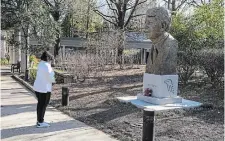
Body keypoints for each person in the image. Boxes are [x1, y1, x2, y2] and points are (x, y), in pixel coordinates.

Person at [145, 7, 178, 75]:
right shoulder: (154, 46)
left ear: (163, 26)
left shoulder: (171, 44)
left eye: (150, 23)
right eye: (145, 22)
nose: (145, 26)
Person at [33, 51, 55, 128]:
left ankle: (39, 120)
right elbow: (51, 77)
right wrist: (53, 80)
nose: (51, 61)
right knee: (43, 105)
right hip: (44, 89)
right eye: (51, 59)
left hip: (38, 88)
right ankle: (40, 122)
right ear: (48, 59)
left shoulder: (40, 64)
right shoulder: (47, 66)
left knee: (40, 104)